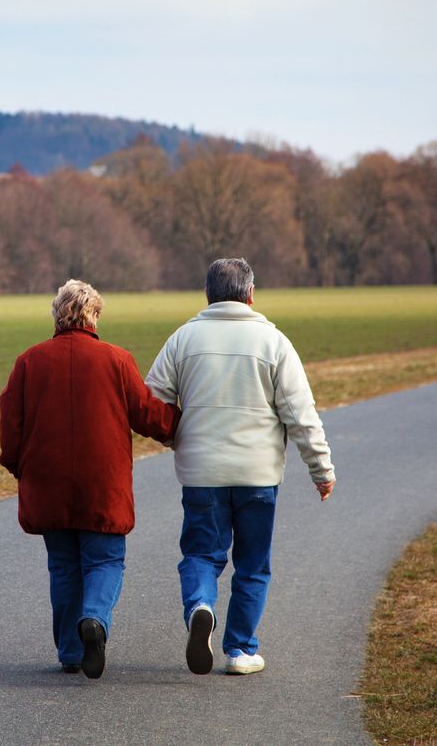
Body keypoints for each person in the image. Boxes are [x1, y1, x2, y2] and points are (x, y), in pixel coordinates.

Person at [146, 258, 334, 676]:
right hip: (258, 476)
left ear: (207, 294)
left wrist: (173, 437)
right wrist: (321, 470)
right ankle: (241, 651)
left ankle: (200, 606)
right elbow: (301, 415)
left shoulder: (183, 339)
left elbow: (150, 403)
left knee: (201, 553)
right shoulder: (274, 343)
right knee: (252, 564)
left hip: (201, 474)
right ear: (251, 294)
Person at [0, 279, 179, 679]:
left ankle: (70, 651)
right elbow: (147, 414)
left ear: (58, 315)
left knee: (63, 566)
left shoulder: (29, 362)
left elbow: (10, 426)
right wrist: (182, 425)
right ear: (94, 315)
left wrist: (19, 467)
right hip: (103, 484)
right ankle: (94, 620)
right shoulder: (117, 360)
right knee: (105, 560)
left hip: (47, 482)